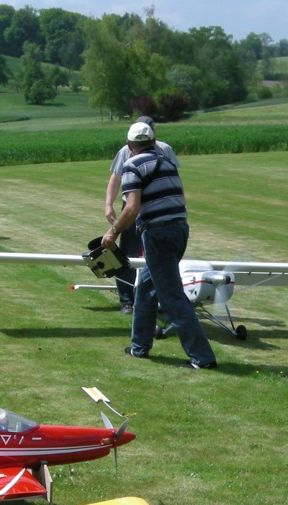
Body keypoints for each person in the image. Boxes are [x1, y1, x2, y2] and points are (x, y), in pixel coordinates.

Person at [101, 121, 216, 369]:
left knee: (172, 296)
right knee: (145, 288)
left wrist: (112, 233)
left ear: (129, 145)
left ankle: (202, 358)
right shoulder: (168, 163)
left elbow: (131, 208)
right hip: (180, 229)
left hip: (158, 234)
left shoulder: (132, 165)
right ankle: (139, 347)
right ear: (153, 141)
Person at [105, 116, 177, 314]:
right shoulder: (124, 152)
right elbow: (115, 178)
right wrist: (108, 204)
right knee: (128, 253)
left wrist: (112, 231)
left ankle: (156, 299)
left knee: (157, 256)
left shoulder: (166, 150)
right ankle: (126, 300)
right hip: (133, 207)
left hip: (153, 209)